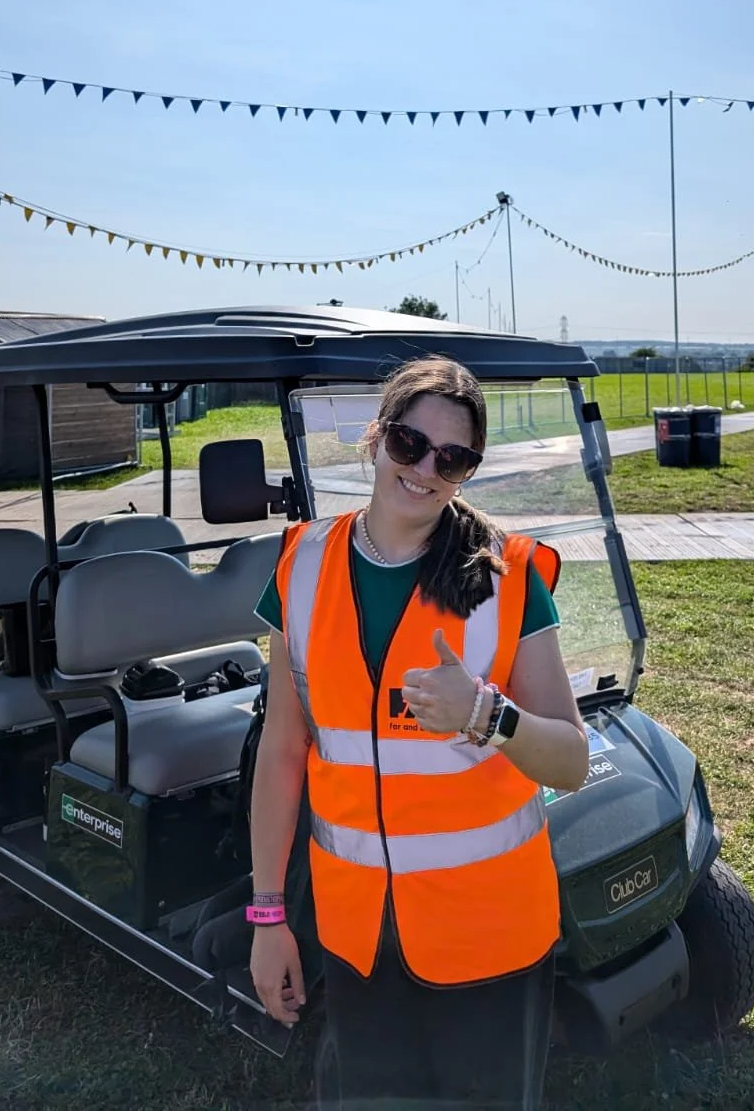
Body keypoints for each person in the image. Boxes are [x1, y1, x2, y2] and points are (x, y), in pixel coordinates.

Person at [248, 355, 590, 1110]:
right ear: (375, 438)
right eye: (409, 443)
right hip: (359, 941)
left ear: (468, 470)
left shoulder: (508, 576)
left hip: (491, 941)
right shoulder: (301, 565)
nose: (426, 469)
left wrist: (487, 715)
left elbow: (569, 760)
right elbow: (282, 751)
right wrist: (269, 916)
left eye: (453, 458)